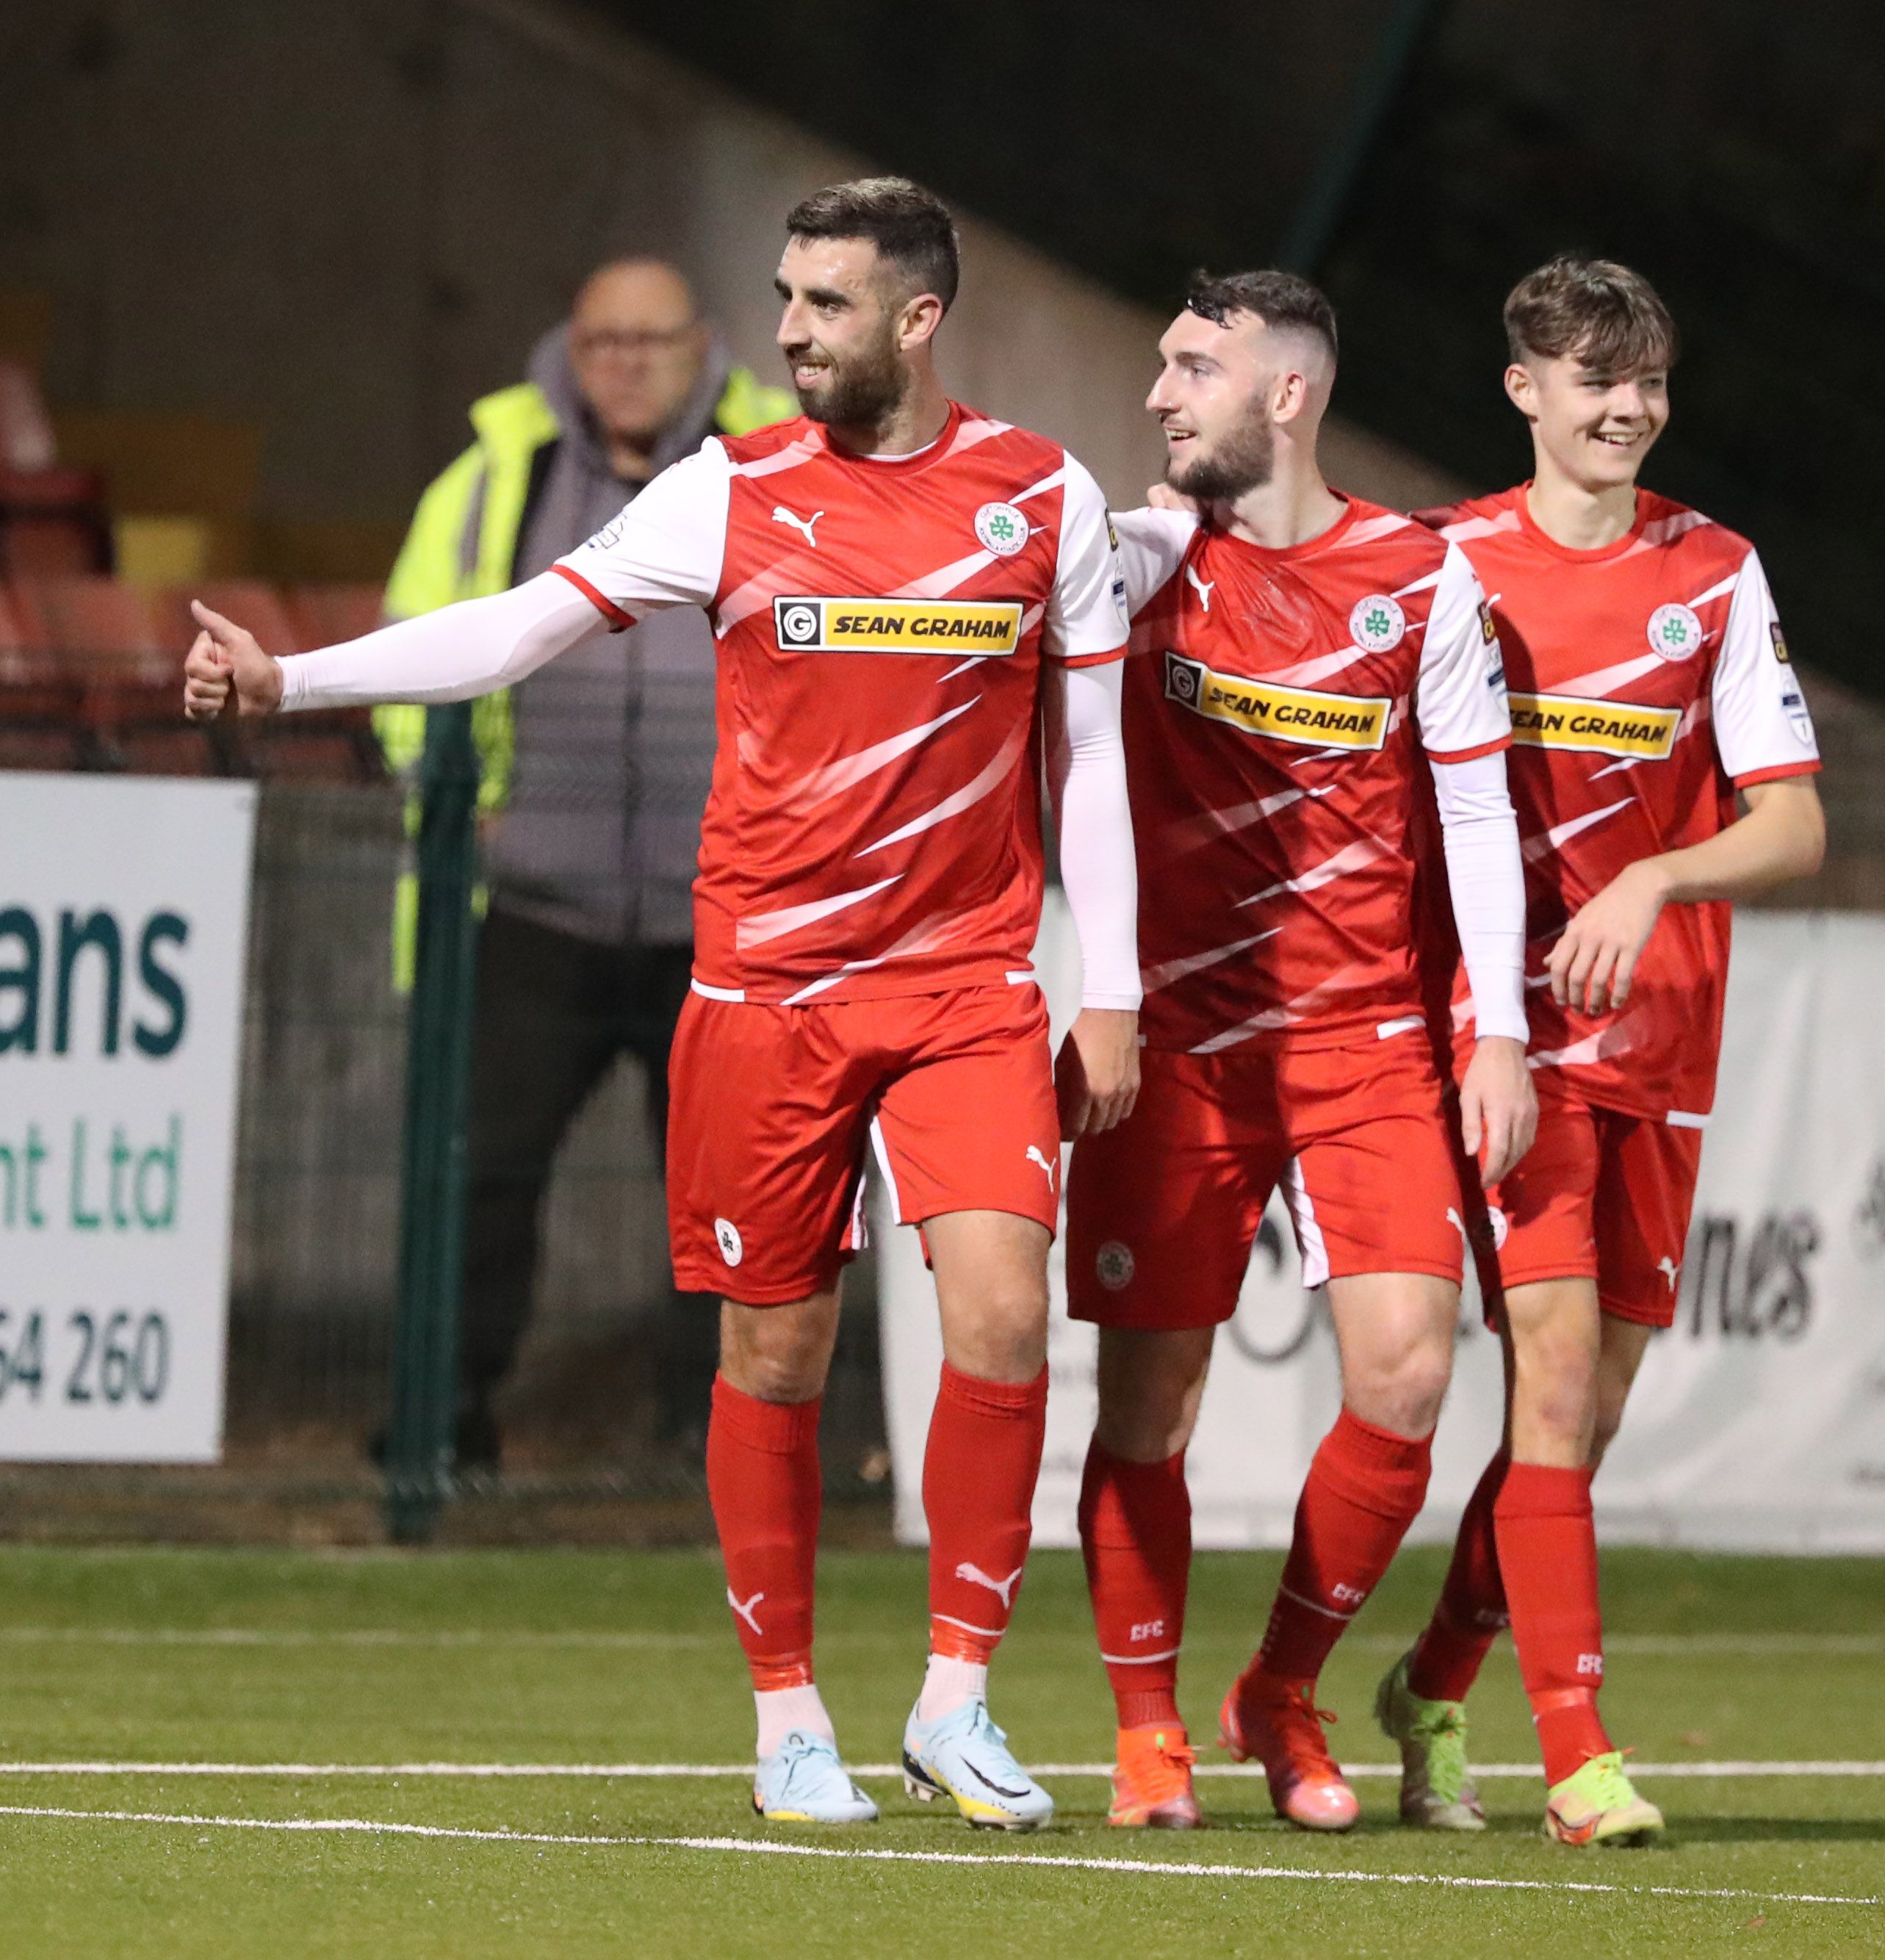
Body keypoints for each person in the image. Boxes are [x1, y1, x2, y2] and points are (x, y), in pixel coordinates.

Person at [186, 177, 1141, 1835]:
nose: (787, 330)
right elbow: (513, 637)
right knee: (775, 1347)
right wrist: (293, 677)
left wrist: (1108, 982)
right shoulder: (728, 489)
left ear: (918, 320)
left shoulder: (1040, 496)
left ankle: (956, 1697)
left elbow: (1100, 755)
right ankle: (787, 1713)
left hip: (965, 983)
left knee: (1001, 1309)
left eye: (824, 304)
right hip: (765, 990)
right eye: (781, 296)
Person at [1065, 270, 1536, 1834]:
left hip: (1362, 1039)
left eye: (1192, 366)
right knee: (1153, 1403)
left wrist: (1500, 1034)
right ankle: (1146, 1727)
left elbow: (1472, 810)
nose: (1157, 394)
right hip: (1180, 1045)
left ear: (1287, 394)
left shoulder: (1425, 580)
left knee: (1405, 1376)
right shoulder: (1141, 560)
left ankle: (1281, 1686)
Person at [1376, 257, 1825, 1848]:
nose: (1625, 408)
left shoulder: (1713, 571)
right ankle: (1580, 1757)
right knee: (1552, 1375)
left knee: (1583, 1411)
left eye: (1645, 382)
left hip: (1667, 1038)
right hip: (1508, 1040)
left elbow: (1794, 821)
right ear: (1524, 389)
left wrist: (1657, 873)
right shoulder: (1444, 568)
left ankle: (1431, 1678)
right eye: (1593, 380)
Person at [377, 258, 796, 1469]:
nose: (624, 363)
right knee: (482, 1176)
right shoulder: (492, 477)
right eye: (603, 341)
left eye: (650, 341)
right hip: (532, 911)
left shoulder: (779, 470)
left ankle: (710, 1444)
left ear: (703, 347)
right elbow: (420, 640)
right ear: (571, 345)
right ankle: (438, 1432)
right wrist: (464, 802)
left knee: (727, 1204)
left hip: (726, 921)